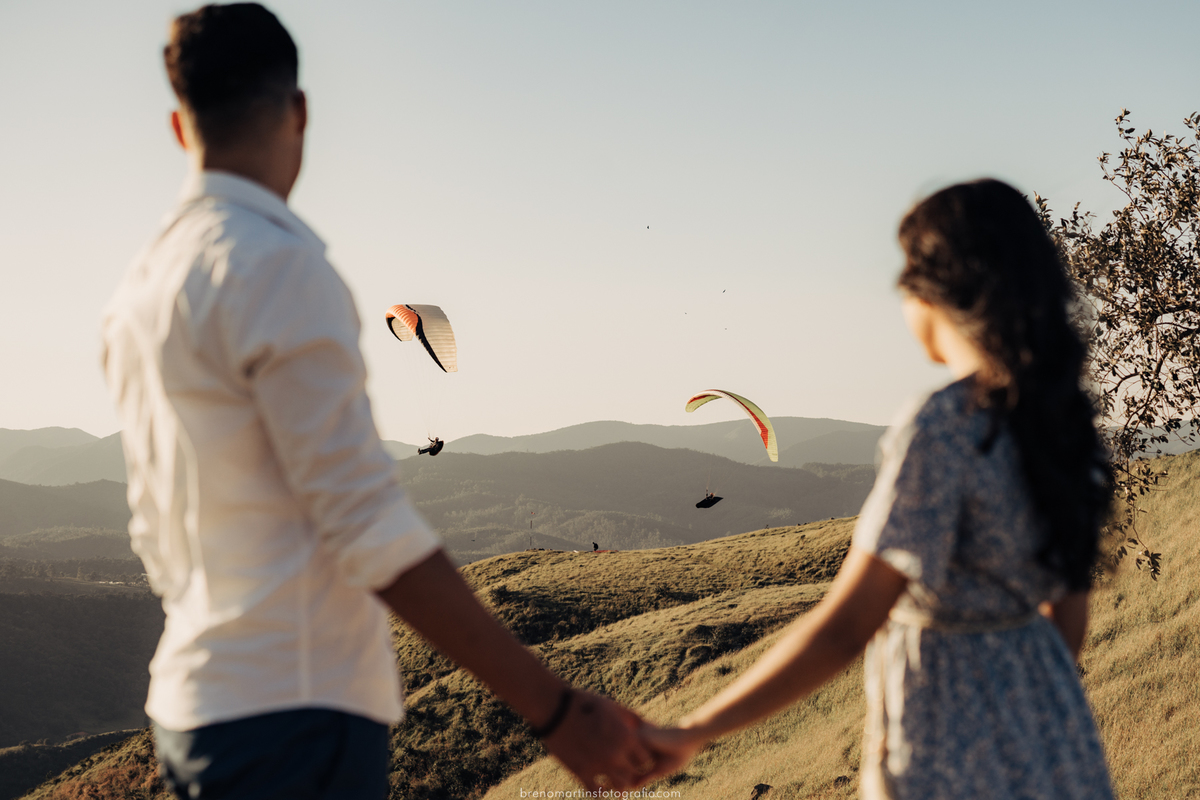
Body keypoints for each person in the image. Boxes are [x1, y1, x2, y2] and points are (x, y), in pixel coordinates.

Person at [101, 5, 653, 798]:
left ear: (178, 128)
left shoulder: (139, 290)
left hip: (193, 707)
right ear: (299, 112)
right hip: (295, 713)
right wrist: (555, 709)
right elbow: (368, 527)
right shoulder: (277, 268)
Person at [642, 179, 1115, 799]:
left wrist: (696, 728)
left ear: (937, 289)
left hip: (948, 748)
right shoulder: (1063, 423)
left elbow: (846, 625)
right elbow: (1067, 618)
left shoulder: (944, 427)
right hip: (1055, 746)